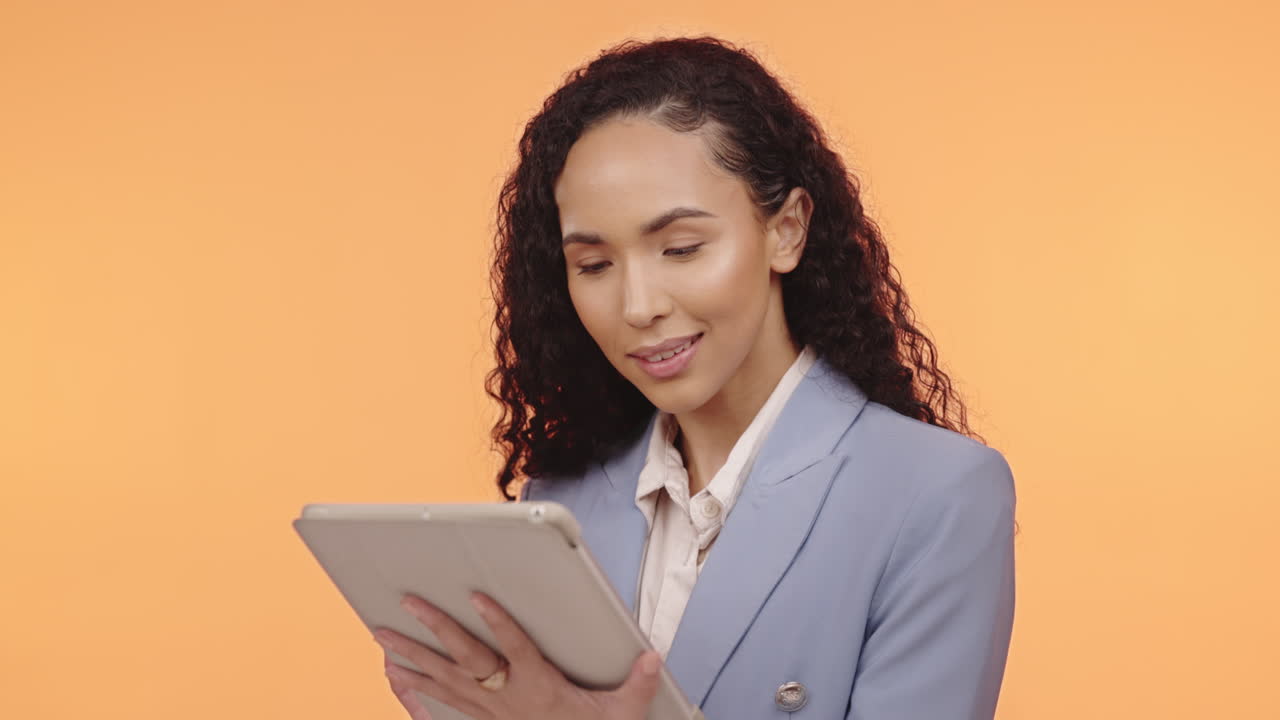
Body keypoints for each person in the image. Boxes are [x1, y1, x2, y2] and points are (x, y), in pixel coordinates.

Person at [372, 35, 1018, 720]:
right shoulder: (562, 499)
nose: (638, 306)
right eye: (593, 265)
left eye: (681, 249)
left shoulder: (935, 494)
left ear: (787, 230)